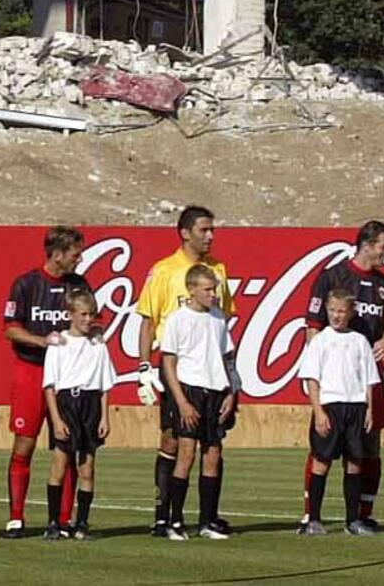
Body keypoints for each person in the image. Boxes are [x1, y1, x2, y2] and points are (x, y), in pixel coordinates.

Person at [135, 204, 231, 537]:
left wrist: (232, 383)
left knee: (212, 445)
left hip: (212, 374)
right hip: (176, 370)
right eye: (204, 230)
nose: (211, 236)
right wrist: (144, 367)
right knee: (173, 440)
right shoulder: (164, 271)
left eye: (212, 229)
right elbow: (148, 322)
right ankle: (164, 515)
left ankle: (209, 516)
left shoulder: (218, 269)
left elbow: (224, 323)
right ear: (185, 232)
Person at [302, 220, 384, 527]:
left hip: (367, 380)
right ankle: (311, 514)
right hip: (334, 384)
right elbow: (313, 326)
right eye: (383, 246)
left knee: (369, 447)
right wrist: (316, 376)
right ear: (367, 245)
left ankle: (361, 516)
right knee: (323, 448)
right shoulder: (333, 277)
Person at [1, 225, 90, 536]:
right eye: (75, 254)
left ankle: (63, 519)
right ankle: (15, 518)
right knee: (23, 446)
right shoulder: (26, 284)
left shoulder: (79, 285)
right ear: (57, 254)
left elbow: (94, 320)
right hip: (31, 371)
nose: (80, 259)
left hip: (67, 379)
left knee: (66, 446)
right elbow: (10, 328)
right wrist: (43, 342)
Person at [161, 264, 239, 541]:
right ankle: (175, 521)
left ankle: (207, 521)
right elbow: (169, 362)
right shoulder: (177, 320)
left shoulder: (218, 318)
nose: (213, 294)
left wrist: (231, 392)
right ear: (191, 289)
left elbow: (227, 358)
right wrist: (180, 400)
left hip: (215, 391)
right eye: (207, 289)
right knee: (186, 454)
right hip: (189, 390)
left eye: (214, 288)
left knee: (213, 454)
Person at [296, 287, 380, 537]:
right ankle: (314, 518)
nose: (336, 316)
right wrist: (318, 412)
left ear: (351, 312)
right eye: (332, 310)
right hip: (330, 407)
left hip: (355, 407)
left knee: (354, 463)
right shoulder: (320, 340)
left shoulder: (359, 341)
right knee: (321, 461)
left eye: (341, 311)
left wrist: (369, 410)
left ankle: (353, 520)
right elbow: (312, 379)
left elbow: (368, 380)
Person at [39, 288, 114, 541]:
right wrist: (57, 419)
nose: (87, 319)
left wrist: (104, 417)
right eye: (82, 314)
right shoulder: (58, 344)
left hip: (90, 403)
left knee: (87, 467)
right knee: (60, 464)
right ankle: (53, 522)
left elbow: (104, 386)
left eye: (90, 314)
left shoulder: (98, 344)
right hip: (66, 403)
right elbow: (49, 387)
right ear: (70, 314)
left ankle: (81, 523)